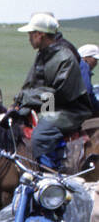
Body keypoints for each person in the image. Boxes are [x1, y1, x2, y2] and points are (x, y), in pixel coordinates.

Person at [14, 13, 90, 169]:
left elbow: (60, 94)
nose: (29, 38)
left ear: (40, 34)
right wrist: (18, 104)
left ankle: (48, 177)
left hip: (69, 109)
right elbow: (30, 86)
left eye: (31, 34)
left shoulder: (65, 57)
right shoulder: (43, 55)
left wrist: (28, 97)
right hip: (49, 104)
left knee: (41, 135)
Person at [75, 43, 99, 115]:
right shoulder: (83, 65)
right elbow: (86, 92)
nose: (96, 63)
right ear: (85, 58)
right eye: (95, 59)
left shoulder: (73, 63)